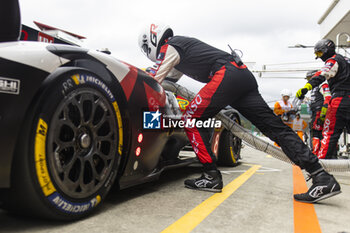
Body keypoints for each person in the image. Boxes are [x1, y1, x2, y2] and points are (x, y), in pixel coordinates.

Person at [139, 23, 341, 202]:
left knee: (191, 119)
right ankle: (321, 177)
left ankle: (211, 176)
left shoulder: (170, 46)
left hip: (226, 74)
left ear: (151, 42)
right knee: (274, 127)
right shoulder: (181, 47)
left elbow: (154, 78)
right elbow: (170, 79)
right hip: (242, 76)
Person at [296, 39, 350, 160]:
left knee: (329, 134)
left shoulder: (333, 60)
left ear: (327, 49)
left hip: (340, 100)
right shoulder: (346, 60)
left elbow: (323, 74)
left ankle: (320, 169)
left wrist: (307, 87)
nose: (319, 57)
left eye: (320, 53)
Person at [305, 70, 332, 156]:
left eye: (310, 78)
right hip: (314, 112)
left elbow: (327, 98)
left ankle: (318, 154)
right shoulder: (313, 88)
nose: (309, 80)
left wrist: (323, 114)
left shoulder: (322, 85)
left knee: (318, 133)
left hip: (319, 112)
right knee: (314, 132)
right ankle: (317, 153)